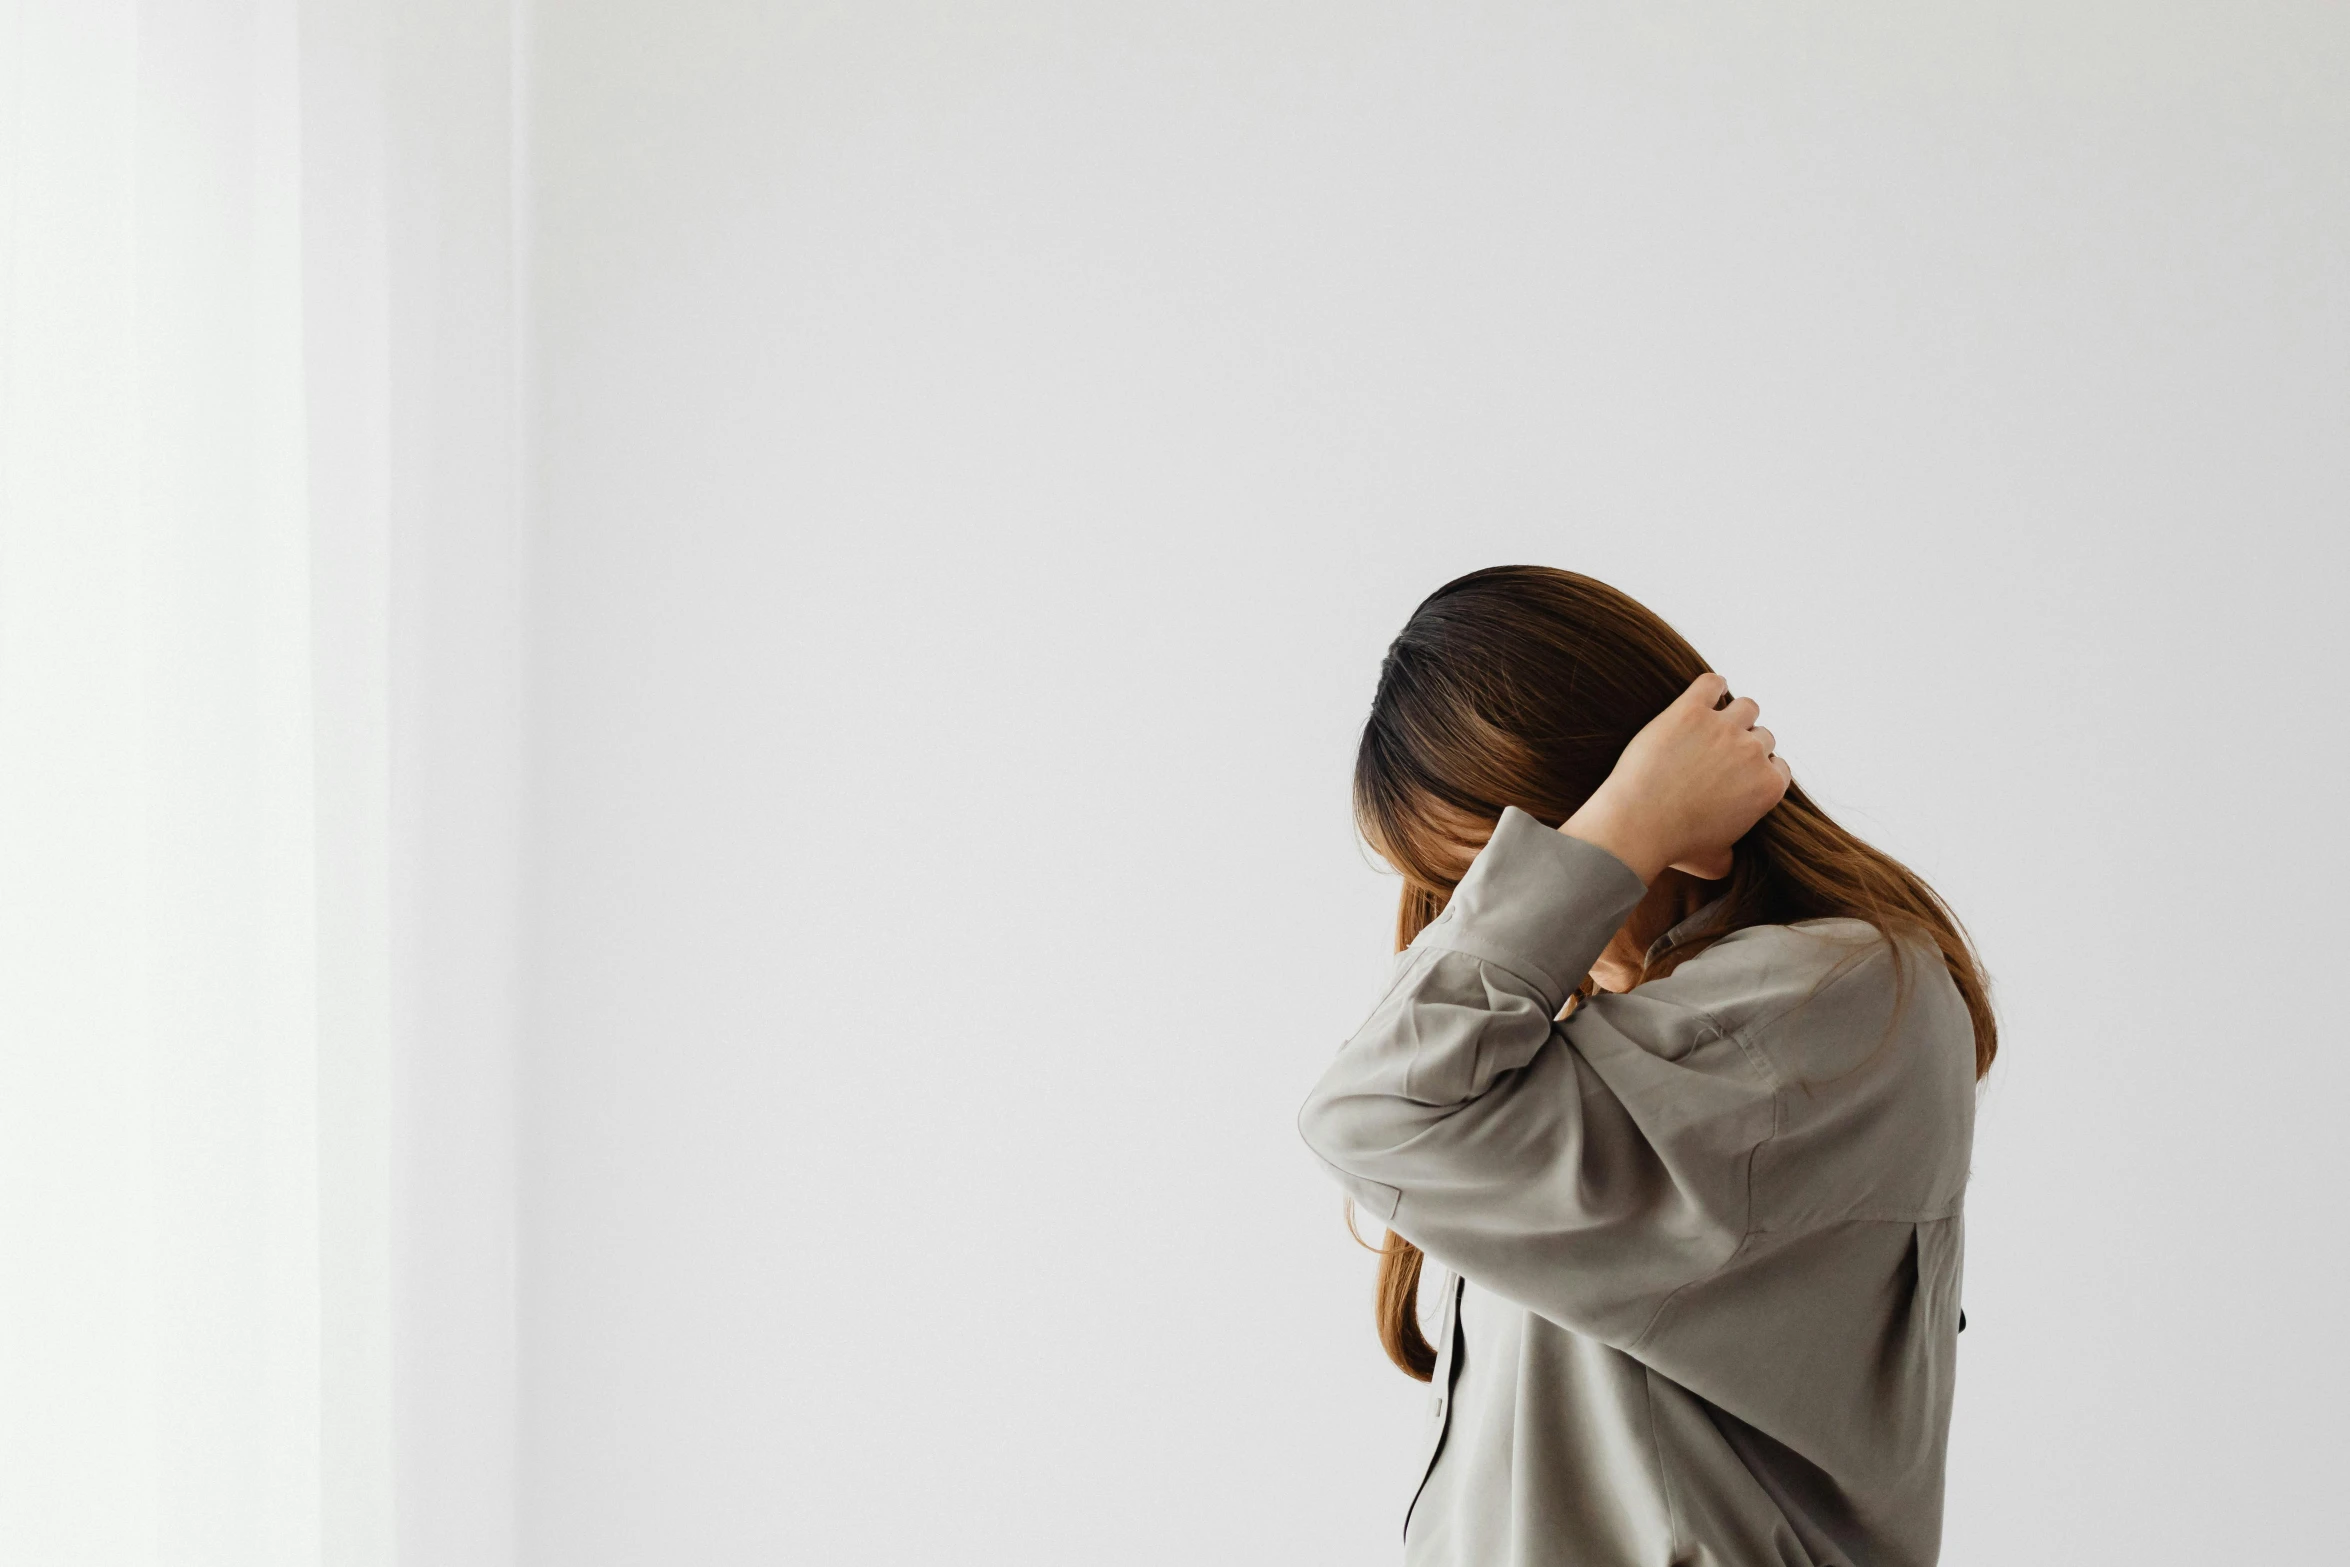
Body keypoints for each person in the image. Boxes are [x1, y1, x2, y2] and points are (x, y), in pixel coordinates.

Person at [1298, 565, 1994, 1567]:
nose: (1484, 915)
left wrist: (1620, 825)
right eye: (1462, 887)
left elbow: (1371, 1117)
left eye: (1509, 865)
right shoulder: (1586, 1044)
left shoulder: (1828, 999)